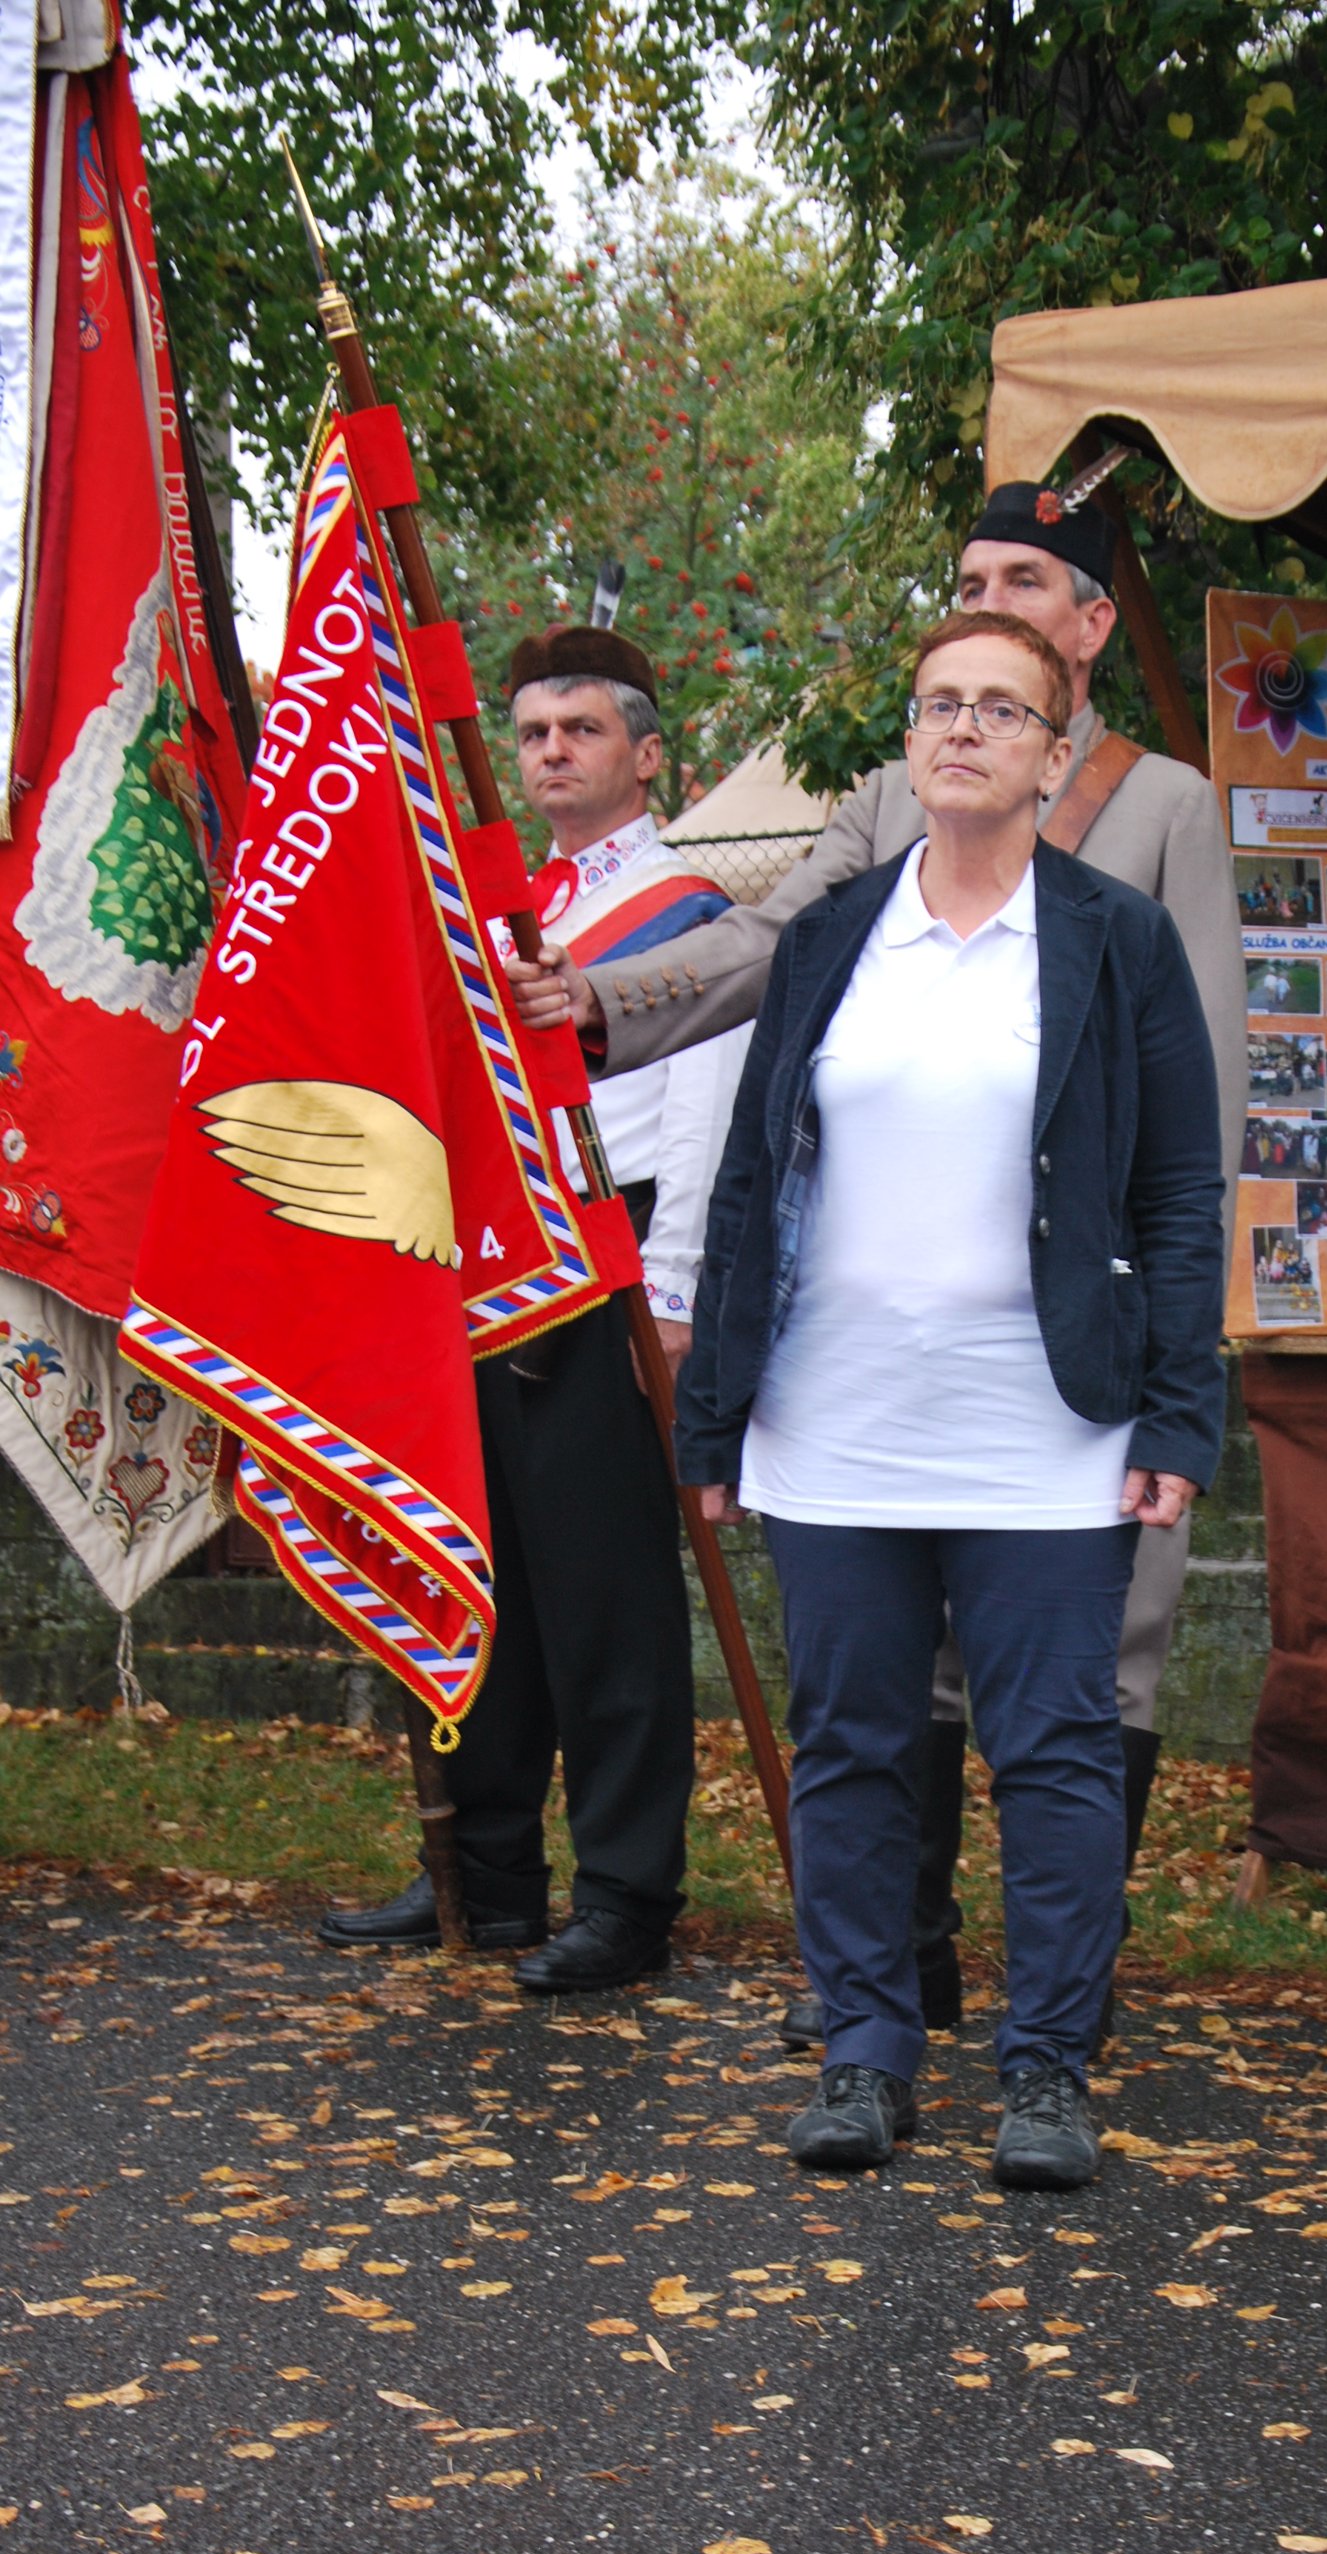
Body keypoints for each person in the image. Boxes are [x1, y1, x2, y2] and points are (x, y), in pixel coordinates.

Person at [504, 479, 1244, 2048]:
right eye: (971, 580)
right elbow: (767, 943)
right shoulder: (890, 793)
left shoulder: (1165, 803)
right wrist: (607, 1000)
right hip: (878, 1347)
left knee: (1091, 1677)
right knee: (891, 1681)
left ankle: (1066, 2002)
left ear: (1089, 628)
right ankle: (896, 1976)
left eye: (1024, 582)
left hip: (1073, 1342)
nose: (990, 603)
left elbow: (1204, 1112)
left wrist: (1175, 1353)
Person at [676, 610, 1225, 2188]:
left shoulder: (1115, 940)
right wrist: (714, 1414)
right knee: (850, 1744)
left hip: (1049, 1427)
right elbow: (750, 1175)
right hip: (834, 1418)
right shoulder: (837, 936)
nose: (964, 730)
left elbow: (1181, 1194)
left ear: (1056, 756)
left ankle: (1046, 2069)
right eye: (938, 706)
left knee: (1054, 1752)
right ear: (910, 744)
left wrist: (1177, 1415)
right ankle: (865, 2051)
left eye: (1001, 709)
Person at [321, 627, 749, 1994]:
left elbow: (706, 1113)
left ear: (646, 751)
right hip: (481, 1259)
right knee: (477, 1568)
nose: (551, 751)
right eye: (532, 733)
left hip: (609, 1259)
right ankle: (490, 1874)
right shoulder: (499, 898)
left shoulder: (688, 908)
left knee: (606, 1595)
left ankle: (626, 1893)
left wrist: (672, 1298)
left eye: (582, 728)